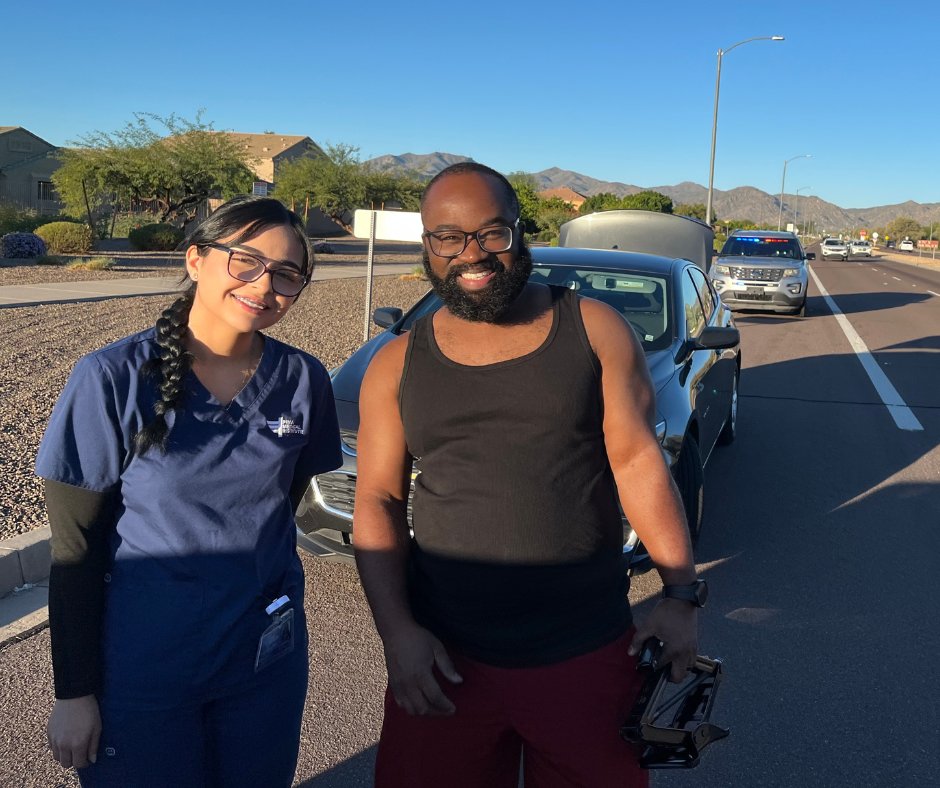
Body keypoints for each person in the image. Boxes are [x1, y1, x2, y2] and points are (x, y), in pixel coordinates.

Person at [353, 163, 705, 787]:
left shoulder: (596, 330)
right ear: (426, 247)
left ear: (521, 232)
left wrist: (679, 596)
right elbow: (378, 498)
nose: (472, 253)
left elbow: (636, 463)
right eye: (448, 237)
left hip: (586, 654)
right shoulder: (396, 364)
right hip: (444, 661)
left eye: (492, 232)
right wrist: (397, 633)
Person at [37, 196, 342, 787]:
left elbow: (279, 505)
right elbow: (75, 550)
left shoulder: (304, 380)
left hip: (263, 662)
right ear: (197, 258)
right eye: (246, 262)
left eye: (287, 274)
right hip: (145, 667)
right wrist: (73, 692)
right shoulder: (111, 378)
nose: (264, 285)